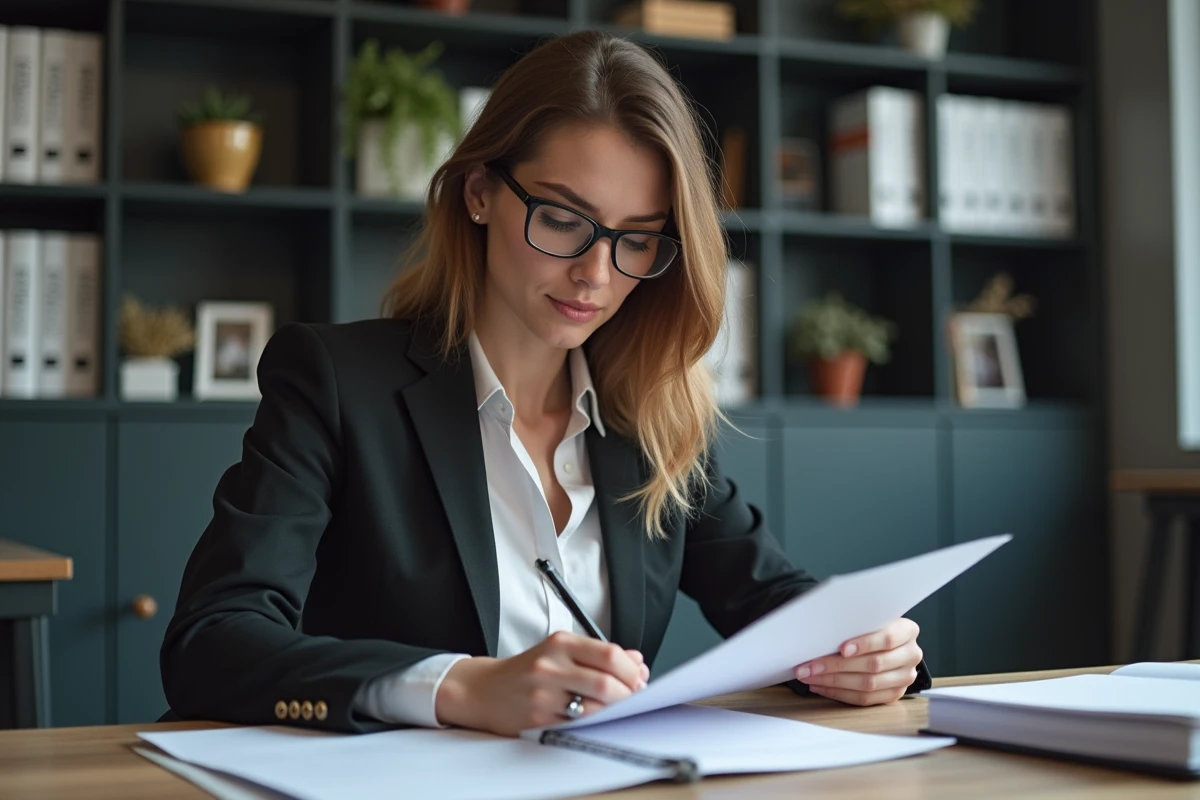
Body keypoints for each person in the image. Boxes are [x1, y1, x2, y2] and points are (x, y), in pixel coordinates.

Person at [160, 29, 929, 737]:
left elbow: (778, 604)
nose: (596, 274)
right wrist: (458, 687)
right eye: (563, 219)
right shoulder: (335, 383)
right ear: (479, 192)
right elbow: (212, 641)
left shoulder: (651, 415)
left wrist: (872, 653)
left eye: (636, 239)